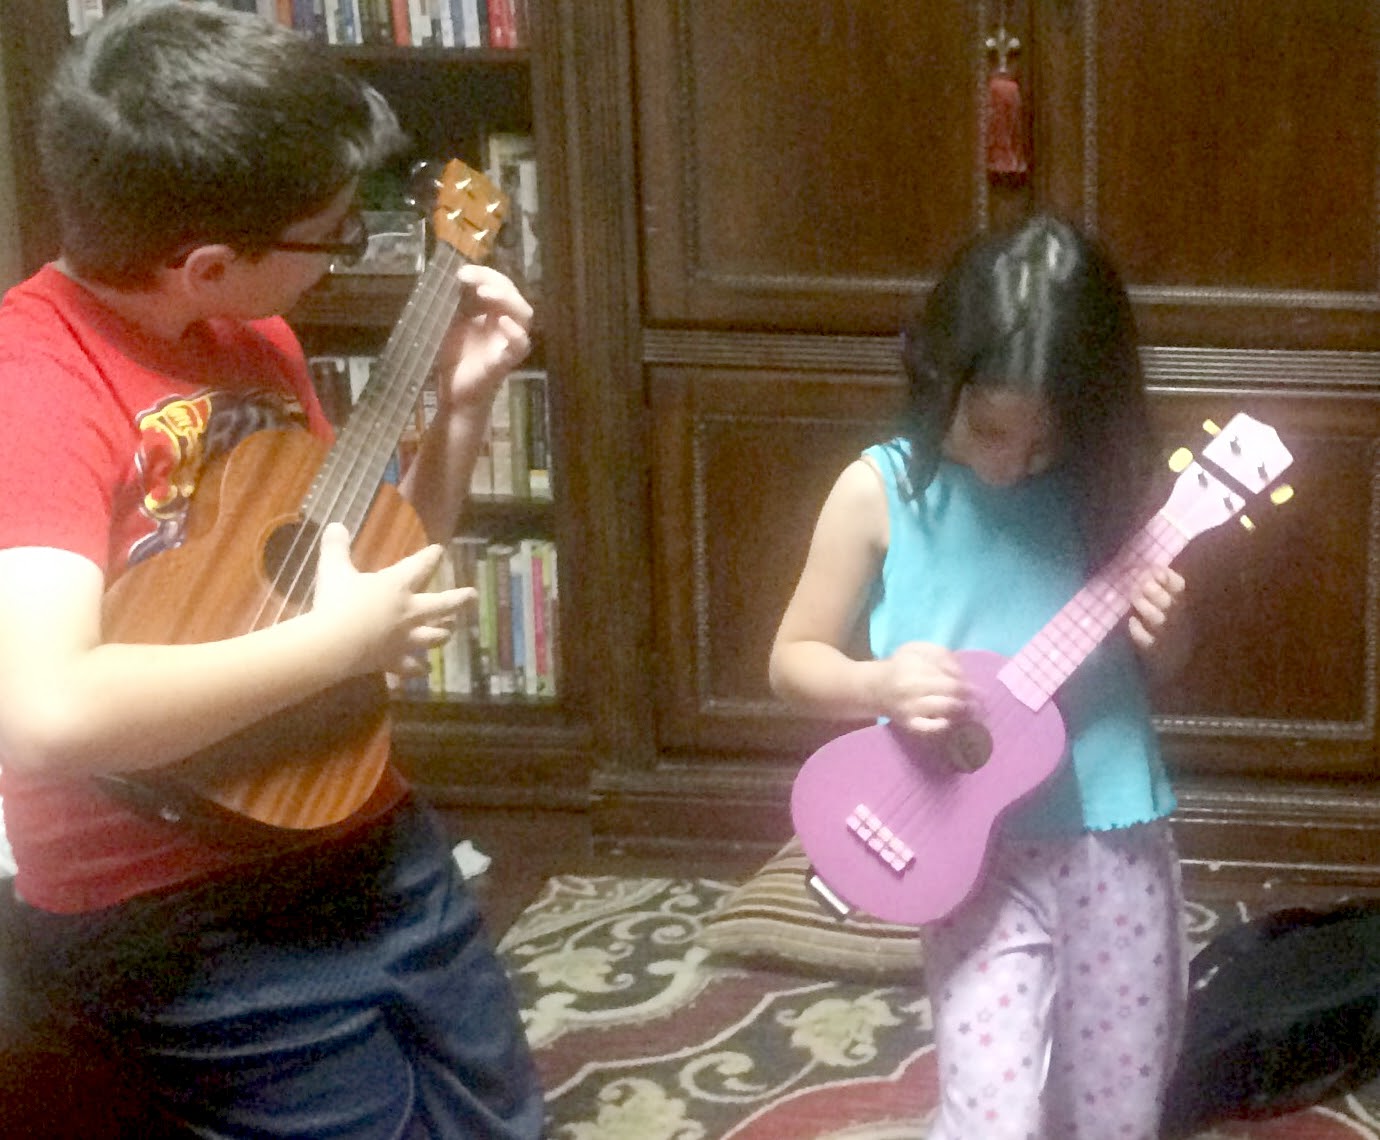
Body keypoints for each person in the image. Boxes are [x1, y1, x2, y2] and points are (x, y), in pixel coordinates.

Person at [0, 4, 544, 1138]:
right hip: (165, 896)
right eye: (334, 235)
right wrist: (336, 648)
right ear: (206, 264)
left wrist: (461, 407)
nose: (350, 247)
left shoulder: (255, 340)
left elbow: (361, 567)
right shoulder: (32, 387)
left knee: (497, 1106)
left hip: (351, 811)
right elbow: (45, 713)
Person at [769, 215, 1194, 1140]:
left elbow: (1166, 667)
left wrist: (1168, 632)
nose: (1009, 467)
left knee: (1118, 1107)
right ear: (939, 378)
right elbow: (792, 660)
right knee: (991, 1109)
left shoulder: (1108, 491)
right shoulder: (878, 492)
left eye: (1041, 445)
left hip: (1111, 837)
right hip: (968, 849)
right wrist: (879, 686)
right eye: (989, 430)